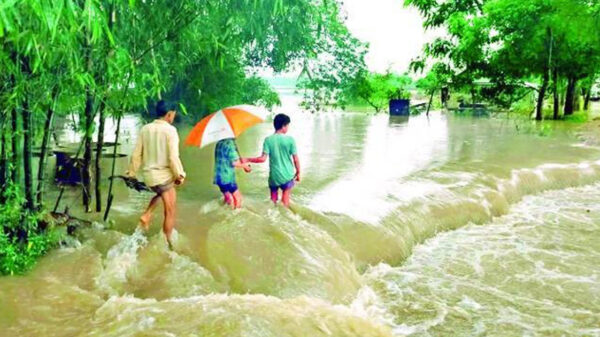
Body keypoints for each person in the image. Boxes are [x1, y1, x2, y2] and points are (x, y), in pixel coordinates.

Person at [126, 100, 186, 249]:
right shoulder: (170, 131)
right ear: (169, 114)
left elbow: (136, 154)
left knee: (163, 191)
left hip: (149, 176)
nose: (173, 117)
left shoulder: (145, 129)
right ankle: (168, 244)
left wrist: (132, 173)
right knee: (170, 210)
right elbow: (173, 157)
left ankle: (147, 214)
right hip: (163, 177)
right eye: (173, 114)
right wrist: (180, 174)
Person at [247, 113, 300, 207]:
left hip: (274, 177)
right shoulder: (290, 140)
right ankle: (284, 216)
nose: (288, 128)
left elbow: (262, 159)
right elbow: (295, 159)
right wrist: (298, 172)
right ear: (283, 126)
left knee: (273, 201)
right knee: (285, 199)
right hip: (287, 176)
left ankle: (272, 215)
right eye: (287, 125)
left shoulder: (268, 140)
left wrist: (248, 159)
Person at [214, 138, 251, 209]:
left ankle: (224, 213)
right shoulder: (230, 144)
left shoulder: (219, 143)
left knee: (228, 199)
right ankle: (236, 215)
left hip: (218, 177)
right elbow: (234, 162)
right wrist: (245, 166)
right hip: (227, 177)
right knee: (238, 198)